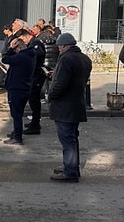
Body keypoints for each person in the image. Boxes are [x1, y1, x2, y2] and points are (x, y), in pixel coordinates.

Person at [48, 33, 92, 182]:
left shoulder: (66, 59)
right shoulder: (85, 58)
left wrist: (51, 95)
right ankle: (72, 166)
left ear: (64, 46)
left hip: (64, 105)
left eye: (59, 47)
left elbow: (61, 83)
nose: (58, 49)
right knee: (72, 138)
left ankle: (70, 171)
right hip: (77, 103)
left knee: (67, 140)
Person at [2, 38, 36, 145]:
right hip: (25, 87)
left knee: (16, 114)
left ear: (18, 47)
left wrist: (10, 49)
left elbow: (5, 59)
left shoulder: (21, 56)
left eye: (14, 48)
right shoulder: (31, 55)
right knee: (19, 113)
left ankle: (17, 137)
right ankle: (17, 132)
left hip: (16, 87)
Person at [15, 29, 46, 135]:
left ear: (25, 36)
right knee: (32, 99)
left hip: (37, 75)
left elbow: (37, 55)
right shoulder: (32, 43)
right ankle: (34, 122)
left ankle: (36, 125)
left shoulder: (36, 43)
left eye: (22, 39)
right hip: (33, 74)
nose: (22, 42)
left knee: (34, 99)